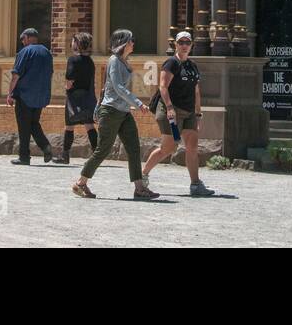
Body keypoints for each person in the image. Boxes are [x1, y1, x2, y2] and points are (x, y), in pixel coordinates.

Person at [72, 29, 157, 200]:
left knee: (134, 148)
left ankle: (139, 188)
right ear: (123, 43)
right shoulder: (114, 61)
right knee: (103, 149)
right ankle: (80, 183)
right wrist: (138, 103)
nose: (133, 43)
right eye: (131, 40)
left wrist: (131, 104)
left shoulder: (125, 61)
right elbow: (118, 87)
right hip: (110, 111)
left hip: (124, 112)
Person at [143, 31, 215, 196]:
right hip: (172, 113)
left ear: (191, 45)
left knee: (192, 146)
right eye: (181, 42)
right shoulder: (171, 63)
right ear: (176, 44)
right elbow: (163, 86)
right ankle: (143, 174)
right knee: (169, 148)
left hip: (189, 112)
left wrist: (198, 114)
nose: (184, 45)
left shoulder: (192, 66)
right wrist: (169, 108)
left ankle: (196, 184)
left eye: (187, 43)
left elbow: (196, 90)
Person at [7, 28, 53, 165]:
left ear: (26, 38)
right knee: (33, 123)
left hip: (24, 94)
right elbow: (50, 73)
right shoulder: (47, 52)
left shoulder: (25, 52)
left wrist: (10, 94)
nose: (22, 42)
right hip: (40, 95)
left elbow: (16, 75)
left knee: (24, 126)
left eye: (22, 40)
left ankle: (24, 156)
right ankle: (45, 146)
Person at [61, 32, 99, 164]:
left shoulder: (73, 59)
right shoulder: (90, 61)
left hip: (74, 98)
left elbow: (70, 78)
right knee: (89, 126)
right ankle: (97, 156)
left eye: (73, 41)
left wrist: (67, 87)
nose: (71, 44)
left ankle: (65, 156)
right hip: (88, 98)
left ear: (77, 44)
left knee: (69, 126)